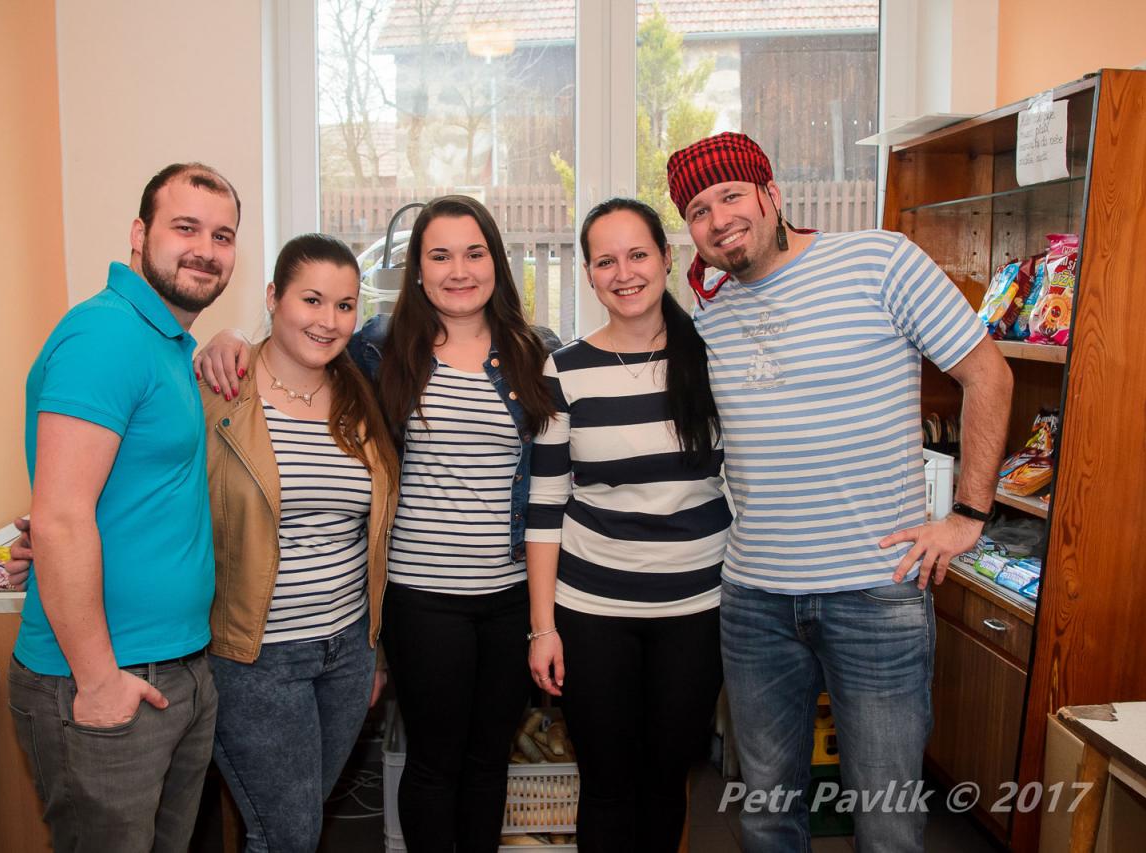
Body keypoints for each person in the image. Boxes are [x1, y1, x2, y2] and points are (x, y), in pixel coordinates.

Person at [667, 132, 1013, 852]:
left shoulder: (879, 261)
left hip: (874, 592)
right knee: (766, 815)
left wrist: (968, 515)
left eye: (731, 195)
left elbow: (988, 374)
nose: (719, 219)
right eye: (698, 210)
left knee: (886, 823)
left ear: (772, 194)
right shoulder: (710, 311)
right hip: (755, 600)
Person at [195, 195, 559, 853]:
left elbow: (553, 483)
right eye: (439, 255)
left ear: (496, 263)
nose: (458, 270)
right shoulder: (380, 347)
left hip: (508, 595)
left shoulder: (535, 354)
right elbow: (297, 348)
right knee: (433, 761)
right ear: (416, 270)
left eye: (474, 253)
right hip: (421, 598)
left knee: (488, 761)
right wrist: (229, 341)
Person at [7, 162, 239, 852]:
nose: (205, 249)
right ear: (139, 234)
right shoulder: (106, 335)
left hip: (176, 668)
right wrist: (99, 679)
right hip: (107, 680)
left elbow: (127, 494)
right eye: (185, 227)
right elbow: (61, 516)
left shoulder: (164, 344)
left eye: (222, 235)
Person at [525, 198, 731, 852]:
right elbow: (545, 506)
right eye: (605, 261)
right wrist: (542, 628)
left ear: (667, 258)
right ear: (589, 274)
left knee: (667, 782)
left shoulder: (714, 356)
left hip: (697, 610)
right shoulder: (565, 369)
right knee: (608, 785)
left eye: (638, 254)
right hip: (592, 611)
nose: (624, 273)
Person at [203, 234, 398, 852]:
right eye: (311, 300)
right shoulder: (219, 391)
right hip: (257, 657)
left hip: (346, 652)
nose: (328, 321)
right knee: (286, 834)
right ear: (273, 297)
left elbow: (371, 537)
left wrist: (373, 653)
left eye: (345, 305)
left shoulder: (360, 395)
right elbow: (154, 488)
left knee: (296, 825)